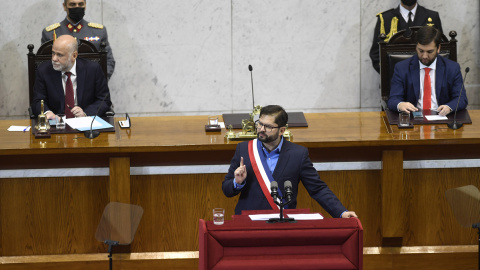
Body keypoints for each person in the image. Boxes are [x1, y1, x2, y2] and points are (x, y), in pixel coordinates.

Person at [222, 105, 358, 218]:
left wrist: (341, 212)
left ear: (282, 130)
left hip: (282, 222)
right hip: (248, 221)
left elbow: (317, 188)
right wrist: (237, 182)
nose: (261, 130)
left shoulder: (298, 154)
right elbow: (226, 189)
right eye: (260, 124)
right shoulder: (244, 149)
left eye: (268, 127)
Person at [387, 26, 467, 115]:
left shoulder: (452, 68)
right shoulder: (401, 68)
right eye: (421, 51)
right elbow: (393, 99)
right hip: (413, 118)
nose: (424, 56)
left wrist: (449, 107)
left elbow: (461, 98)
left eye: (429, 52)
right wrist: (400, 104)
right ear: (416, 47)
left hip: (442, 118)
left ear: (438, 48)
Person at [32, 35, 112, 119]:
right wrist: (48, 113)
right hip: (56, 124)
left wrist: (85, 113)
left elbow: (104, 100)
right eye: (53, 53)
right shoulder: (44, 71)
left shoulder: (93, 69)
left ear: (74, 55)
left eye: (59, 55)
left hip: (84, 124)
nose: (54, 59)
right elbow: (37, 101)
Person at [41, 0, 115, 79]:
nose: (77, 7)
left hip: (91, 83)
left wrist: (99, 82)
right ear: (65, 6)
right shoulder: (50, 33)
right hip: (60, 84)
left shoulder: (99, 32)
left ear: (85, 5)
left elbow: (109, 61)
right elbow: (43, 63)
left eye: (80, 4)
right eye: (72, 4)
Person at [369, 0, 443, 73]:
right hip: (394, 80)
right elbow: (376, 54)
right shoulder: (385, 19)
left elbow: (441, 50)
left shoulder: (432, 16)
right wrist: (394, 75)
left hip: (427, 78)